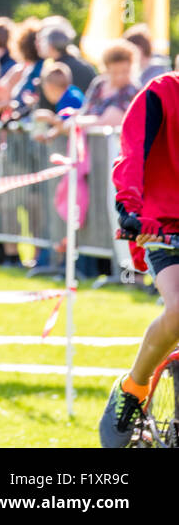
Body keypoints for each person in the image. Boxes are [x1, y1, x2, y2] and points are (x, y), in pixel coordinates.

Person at [99, 72, 179, 446]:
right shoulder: (161, 93)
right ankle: (133, 389)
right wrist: (128, 207)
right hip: (163, 227)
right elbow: (132, 153)